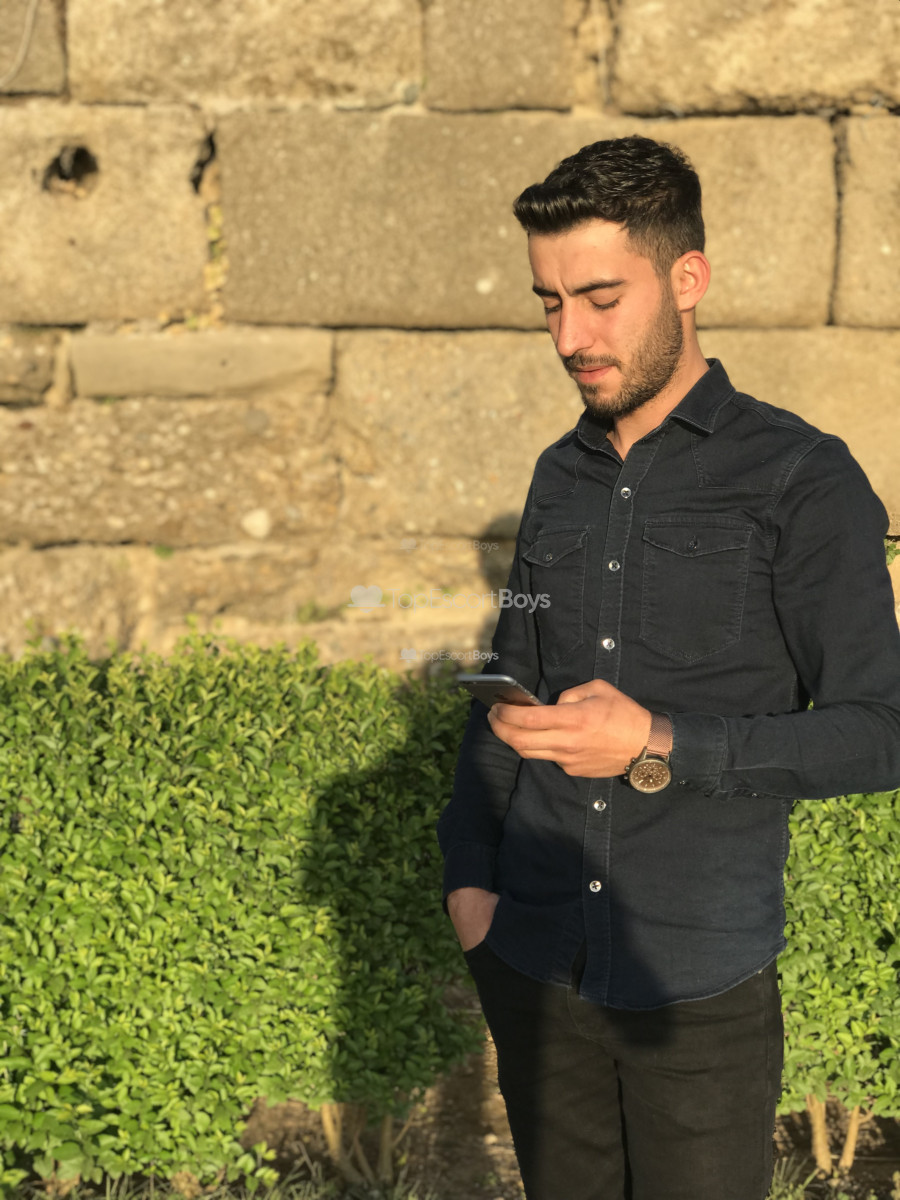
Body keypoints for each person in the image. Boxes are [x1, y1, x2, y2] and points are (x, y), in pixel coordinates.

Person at [436, 135, 900, 1200]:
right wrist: (470, 889)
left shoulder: (803, 478)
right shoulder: (557, 477)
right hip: (535, 965)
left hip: (699, 991)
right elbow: (507, 683)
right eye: (550, 303)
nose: (571, 337)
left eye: (601, 298)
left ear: (688, 278)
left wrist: (656, 741)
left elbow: (882, 730)